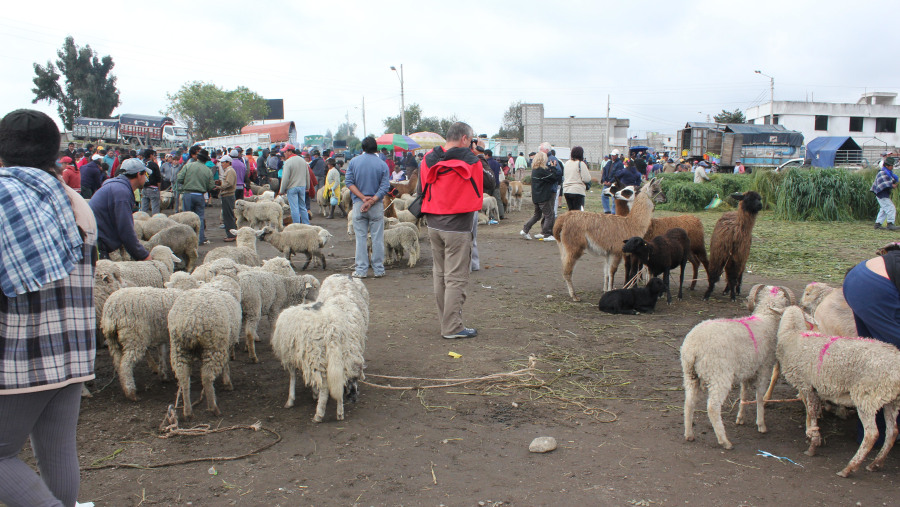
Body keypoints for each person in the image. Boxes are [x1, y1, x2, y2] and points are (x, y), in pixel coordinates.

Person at [0, 109, 97, 507]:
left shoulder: (6, 197)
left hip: (22, 358)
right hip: (73, 351)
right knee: (56, 452)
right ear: (55, 150)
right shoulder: (74, 202)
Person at [419, 121, 483, 339]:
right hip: (458, 226)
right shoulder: (472, 160)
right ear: (464, 138)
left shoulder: (428, 159)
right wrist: (477, 153)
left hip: (433, 223)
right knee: (456, 277)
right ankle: (452, 326)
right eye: (471, 139)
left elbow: (420, 189)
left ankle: (445, 321)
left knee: (440, 274)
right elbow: (488, 184)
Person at [842, 244, 900, 444]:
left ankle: (871, 435)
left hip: (857, 278)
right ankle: (884, 431)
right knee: (890, 361)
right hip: (877, 288)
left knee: (876, 357)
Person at [90, 158, 153, 261]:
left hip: (97, 240)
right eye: (145, 174)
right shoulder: (121, 193)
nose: (146, 178)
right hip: (97, 244)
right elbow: (126, 230)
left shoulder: (117, 187)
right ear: (138, 174)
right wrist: (144, 256)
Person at [346, 136, 390, 278]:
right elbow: (385, 187)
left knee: (361, 238)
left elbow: (349, 182)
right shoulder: (382, 164)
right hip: (376, 205)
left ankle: (361, 270)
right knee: (377, 238)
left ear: (363, 148)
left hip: (359, 204)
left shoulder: (353, 162)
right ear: (376, 148)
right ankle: (378, 269)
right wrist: (372, 200)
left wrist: (362, 197)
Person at [520, 151, 561, 242]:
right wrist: (553, 168)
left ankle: (525, 229)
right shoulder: (541, 170)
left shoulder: (535, 170)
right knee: (549, 215)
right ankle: (546, 234)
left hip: (536, 197)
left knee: (537, 215)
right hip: (543, 197)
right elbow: (553, 178)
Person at [176, 149, 215, 244]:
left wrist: (185, 184)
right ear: (206, 160)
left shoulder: (188, 166)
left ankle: (187, 240)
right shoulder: (208, 170)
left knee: (187, 218)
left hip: (188, 194)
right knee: (199, 218)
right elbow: (211, 186)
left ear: (197, 158)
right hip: (199, 195)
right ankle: (199, 239)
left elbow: (179, 178)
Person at [279, 144, 311, 225]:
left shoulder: (288, 162)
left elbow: (285, 177)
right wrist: (308, 186)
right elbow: (307, 174)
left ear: (290, 151)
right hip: (302, 186)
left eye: (285, 151)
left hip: (292, 187)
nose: (284, 153)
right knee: (303, 207)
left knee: (294, 209)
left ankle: (297, 226)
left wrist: (282, 190)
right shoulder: (302, 160)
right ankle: (306, 225)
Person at [871, 157, 899, 230]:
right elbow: (884, 183)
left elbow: (891, 180)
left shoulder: (888, 173)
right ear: (887, 166)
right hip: (881, 194)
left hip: (883, 194)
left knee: (883, 209)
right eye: (891, 166)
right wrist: (892, 185)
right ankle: (890, 224)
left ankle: (877, 225)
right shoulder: (882, 172)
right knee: (891, 208)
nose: (892, 167)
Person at [562, 146, 592, 212]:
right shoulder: (581, 164)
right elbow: (587, 179)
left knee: (571, 211)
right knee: (578, 213)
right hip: (577, 191)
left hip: (567, 190)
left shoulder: (567, 163)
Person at [216, 155, 238, 242]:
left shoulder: (230, 171)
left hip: (228, 195)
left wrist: (220, 187)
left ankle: (231, 235)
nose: (221, 164)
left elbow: (229, 183)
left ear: (228, 162)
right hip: (227, 195)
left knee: (228, 216)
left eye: (223, 162)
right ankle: (231, 233)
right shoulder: (228, 171)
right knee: (227, 215)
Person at [485, 149, 505, 219]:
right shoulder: (497, 163)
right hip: (496, 183)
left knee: (488, 199)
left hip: (488, 184)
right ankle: (501, 214)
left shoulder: (486, 163)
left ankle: (490, 215)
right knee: (498, 199)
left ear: (487, 155)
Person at [140, 149, 162, 214]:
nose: (154, 157)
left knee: (144, 208)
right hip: (153, 188)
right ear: (150, 155)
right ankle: (155, 221)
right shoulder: (154, 165)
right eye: (153, 155)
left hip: (144, 188)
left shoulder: (142, 164)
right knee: (155, 207)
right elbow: (158, 178)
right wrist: (159, 189)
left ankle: (143, 220)